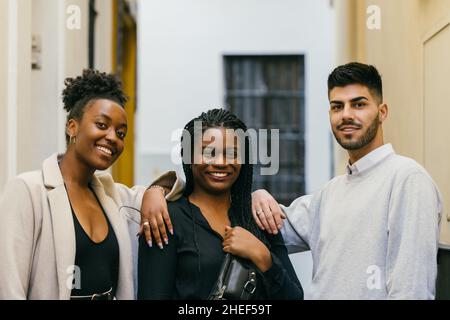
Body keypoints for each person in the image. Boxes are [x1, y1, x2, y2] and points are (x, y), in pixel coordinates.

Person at [141, 63, 442, 300]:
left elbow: (412, 289)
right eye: (338, 106)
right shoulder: (331, 194)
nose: (346, 115)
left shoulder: (407, 180)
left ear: (382, 111)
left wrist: (260, 251)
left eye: (359, 104)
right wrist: (157, 189)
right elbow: (275, 223)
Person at [0, 69, 182, 300]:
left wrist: (155, 191)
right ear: (72, 127)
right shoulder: (28, 190)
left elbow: (176, 189)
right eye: (102, 125)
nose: (113, 137)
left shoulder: (112, 195)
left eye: (121, 132)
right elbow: (9, 287)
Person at [137, 109, 303, 300]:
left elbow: (295, 297)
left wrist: (263, 257)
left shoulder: (259, 217)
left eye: (232, 153)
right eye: (208, 152)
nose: (221, 162)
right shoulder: (166, 219)